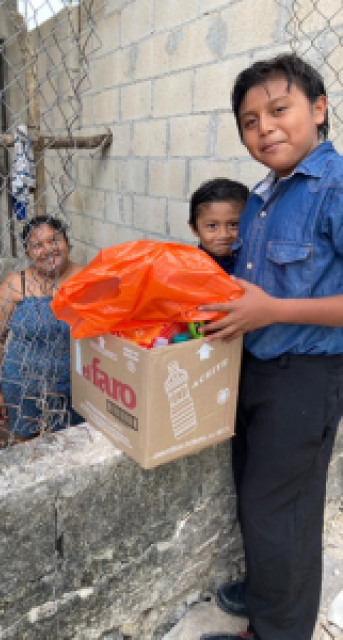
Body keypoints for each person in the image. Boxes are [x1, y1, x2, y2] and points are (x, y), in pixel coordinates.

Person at [198, 54, 343, 640]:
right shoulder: (263, 195)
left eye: (278, 110)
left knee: (277, 510)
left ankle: (276, 629)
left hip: (306, 374)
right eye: (249, 121)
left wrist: (271, 311)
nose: (265, 128)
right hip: (256, 368)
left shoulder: (332, 189)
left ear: (318, 109)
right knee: (262, 499)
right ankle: (268, 592)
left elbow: (273, 300)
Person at [0, 216, 83, 442]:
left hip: (75, 386)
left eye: (54, 240)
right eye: (37, 245)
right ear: (28, 253)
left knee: (73, 448)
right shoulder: (13, 285)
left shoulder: (86, 279)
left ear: (67, 243)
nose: (48, 250)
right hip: (22, 386)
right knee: (30, 450)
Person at [189, 178, 249, 274]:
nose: (224, 235)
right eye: (212, 226)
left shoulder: (254, 268)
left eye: (233, 225)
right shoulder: (188, 271)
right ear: (194, 228)